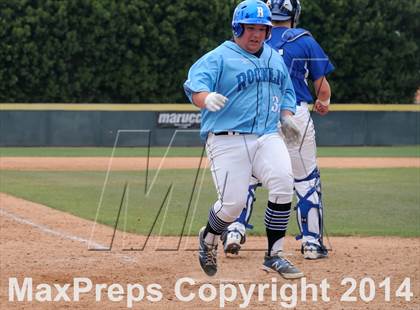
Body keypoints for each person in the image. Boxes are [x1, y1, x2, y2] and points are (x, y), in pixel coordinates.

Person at [184, 0, 304, 279]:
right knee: (232, 204)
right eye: (250, 28)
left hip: (266, 136)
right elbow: (193, 84)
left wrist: (286, 116)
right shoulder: (220, 56)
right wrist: (205, 98)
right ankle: (209, 238)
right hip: (227, 138)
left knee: (284, 182)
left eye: (262, 29)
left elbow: (287, 91)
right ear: (238, 27)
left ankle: (274, 255)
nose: (256, 34)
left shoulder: (274, 57)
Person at [222, 0, 335, 260]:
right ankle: (311, 244)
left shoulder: (252, 39)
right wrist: (324, 102)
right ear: (294, 15)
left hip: (258, 114)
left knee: (247, 176)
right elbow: (322, 88)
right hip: (294, 113)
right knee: (305, 178)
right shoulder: (305, 39)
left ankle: (234, 231)